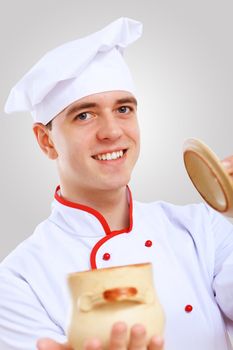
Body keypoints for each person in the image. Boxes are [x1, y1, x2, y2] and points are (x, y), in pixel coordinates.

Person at [1, 17, 233, 350]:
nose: (112, 131)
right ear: (46, 141)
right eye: (85, 115)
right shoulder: (18, 280)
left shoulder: (201, 229)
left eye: (124, 109)